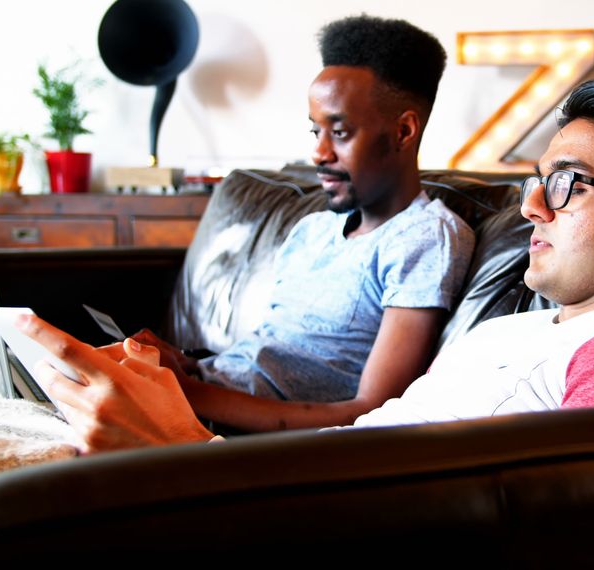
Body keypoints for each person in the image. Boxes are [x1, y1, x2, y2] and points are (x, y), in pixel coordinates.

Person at [19, 77, 594, 451]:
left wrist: (182, 457)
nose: (531, 209)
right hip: (262, 485)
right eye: (534, 181)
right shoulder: (506, 333)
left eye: (566, 184)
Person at [133, 15, 475, 433]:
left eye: (341, 132)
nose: (318, 152)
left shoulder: (424, 237)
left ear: (403, 131)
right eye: (315, 131)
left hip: (223, 432)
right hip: (198, 395)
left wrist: (180, 391)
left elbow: (370, 412)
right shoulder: (311, 230)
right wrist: (181, 363)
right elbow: (268, 354)